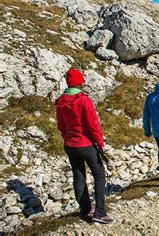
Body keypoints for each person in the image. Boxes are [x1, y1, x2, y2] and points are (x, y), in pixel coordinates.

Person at [55, 68, 112, 224]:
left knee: (78, 175)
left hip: (70, 144)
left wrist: (67, 137)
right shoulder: (83, 99)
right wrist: (100, 143)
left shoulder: (60, 101)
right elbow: (93, 124)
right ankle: (100, 212)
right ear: (80, 82)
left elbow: (60, 125)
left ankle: (85, 209)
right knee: (99, 175)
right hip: (86, 144)